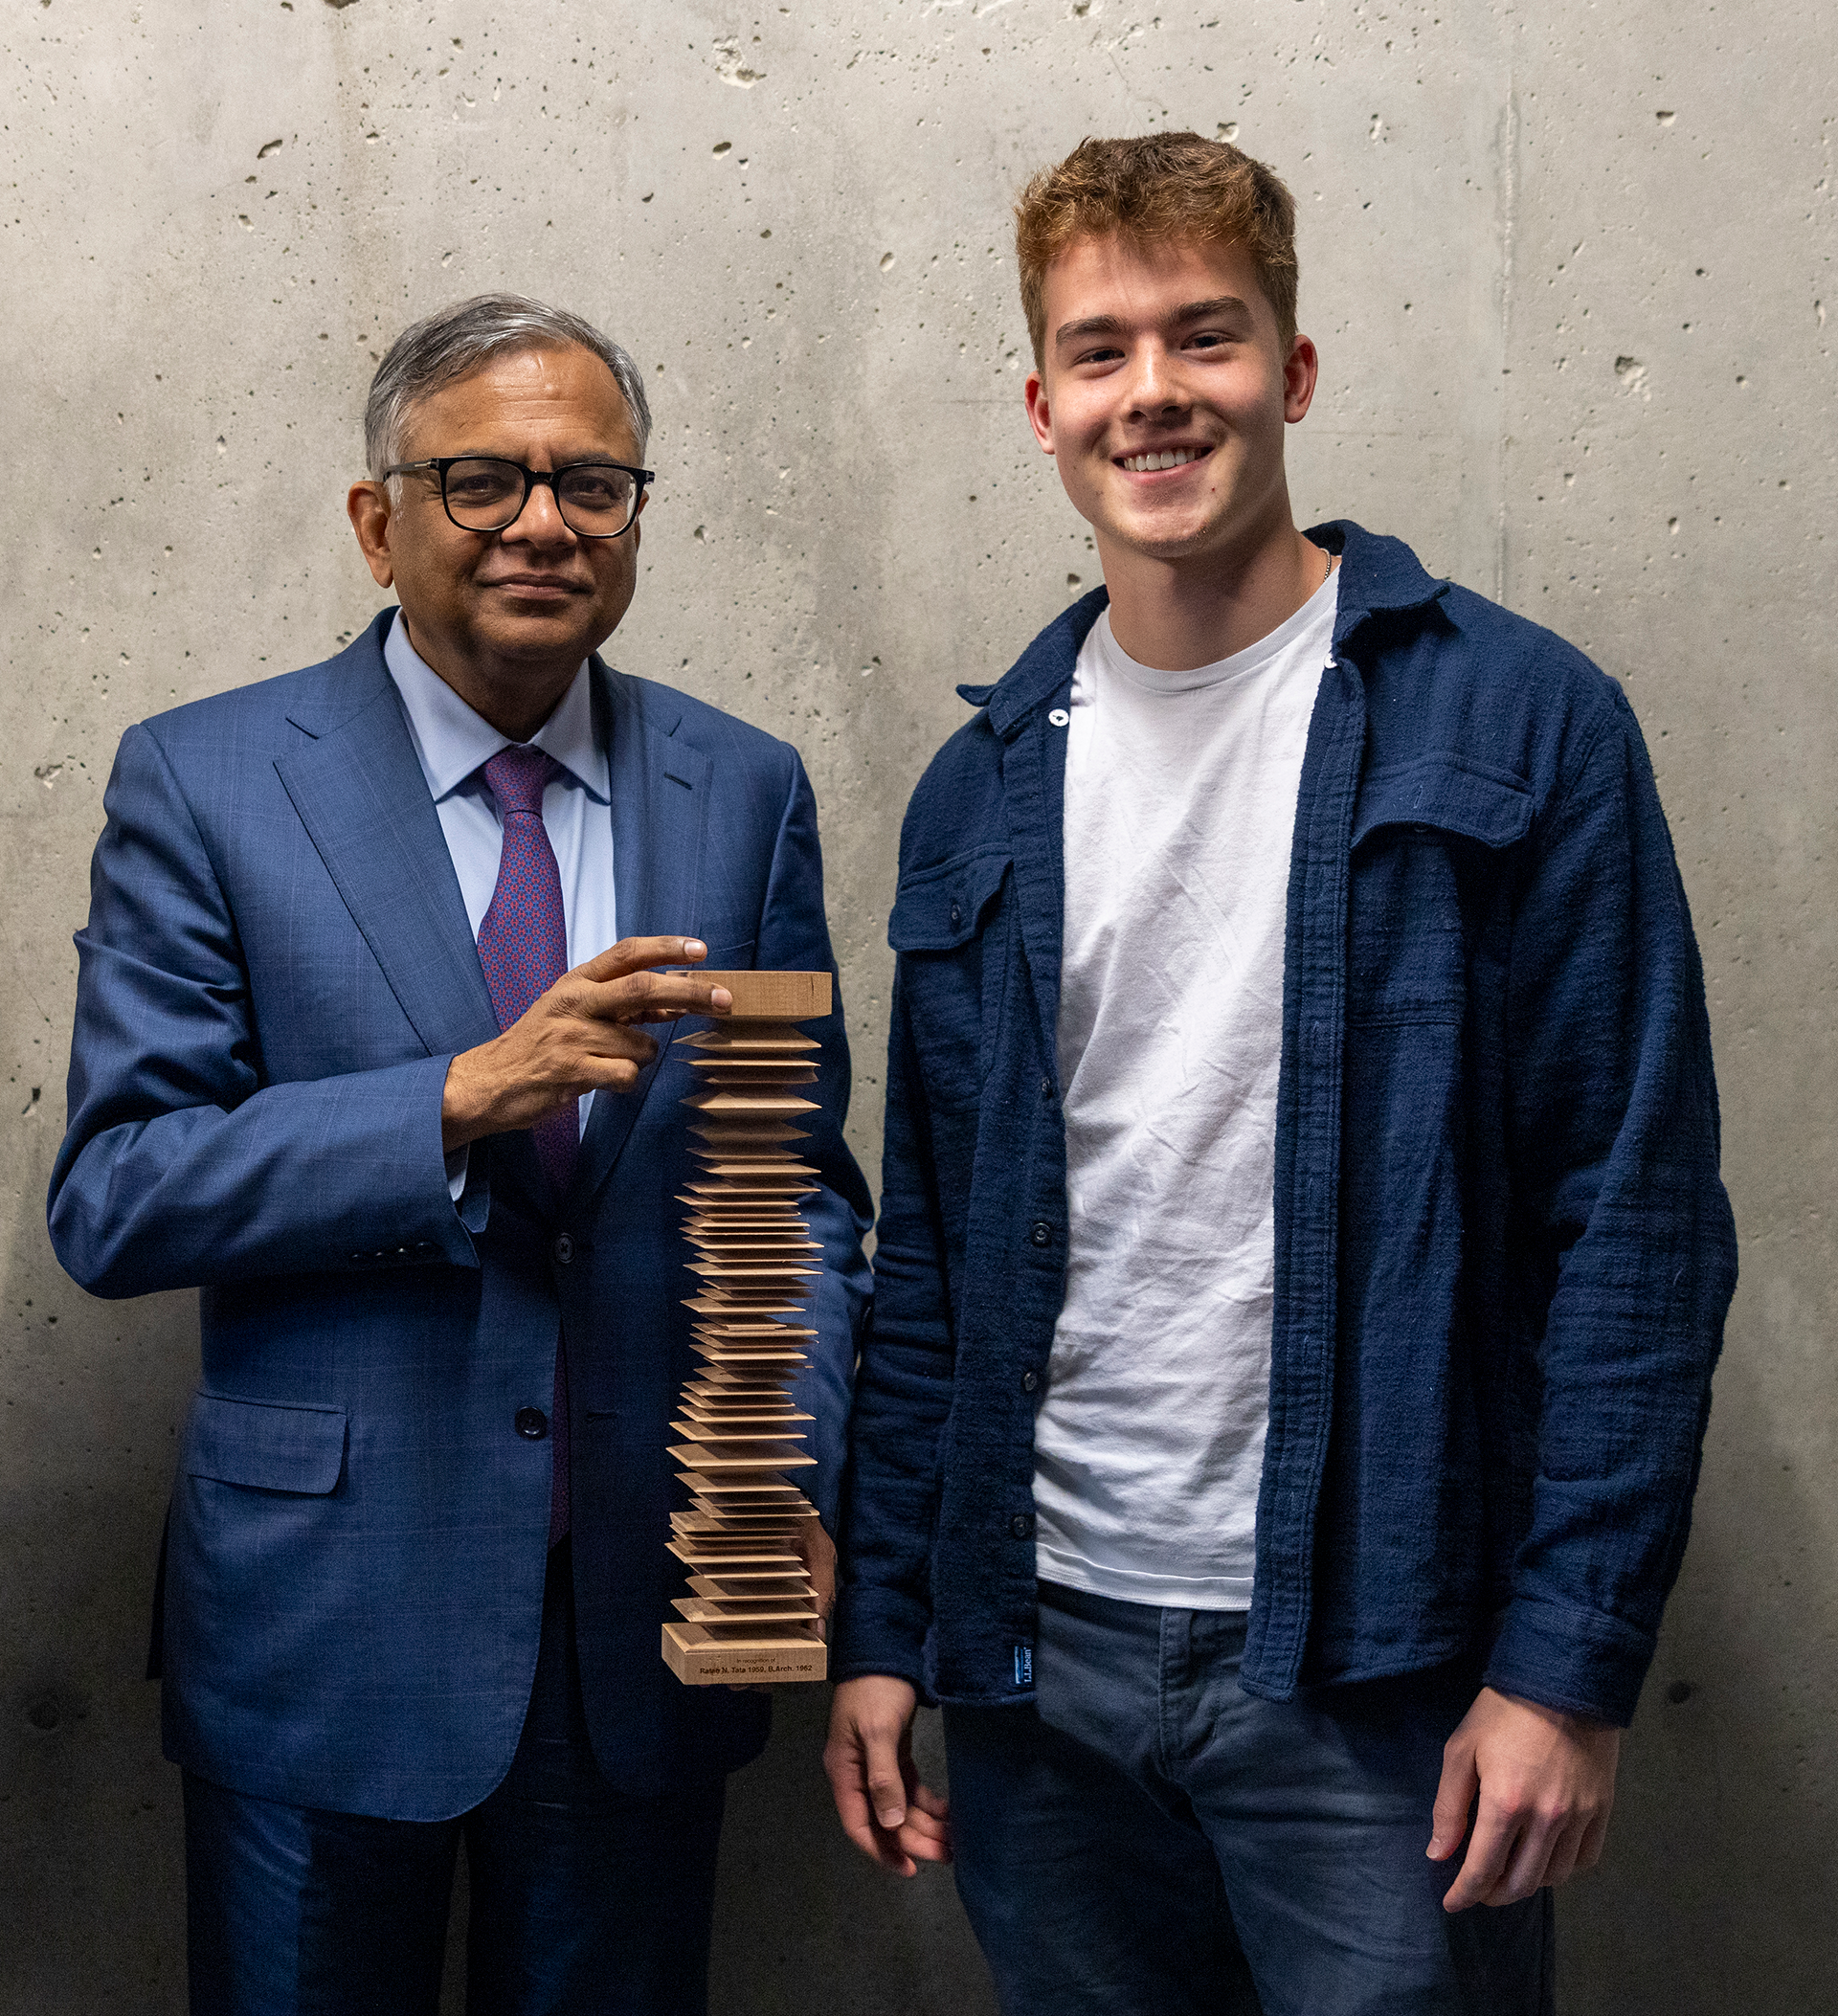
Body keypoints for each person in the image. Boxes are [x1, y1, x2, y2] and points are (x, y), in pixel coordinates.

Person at [824, 133, 1737, 2015]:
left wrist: (1564, 1666)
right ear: (1043, 404)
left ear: (1294, 373)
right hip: (1035, 1668)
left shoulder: (1518, 719)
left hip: (1379, 1678)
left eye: (1204, 336)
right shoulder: (978, 787)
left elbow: (1633, 1225)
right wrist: (886, 1627)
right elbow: (927, 1261)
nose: (1152, 391)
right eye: (1101, 351)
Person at [48, 293, 870, 2016]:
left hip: (641, 1631)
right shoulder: (206, 781)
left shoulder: (746, 790)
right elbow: (119, 1193)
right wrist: (452, 1097)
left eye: (593, 484)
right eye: (482, 480)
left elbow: (791, 1188)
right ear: (380, 520)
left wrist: (788, 1458)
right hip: (323, 1626)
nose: (543, 524)